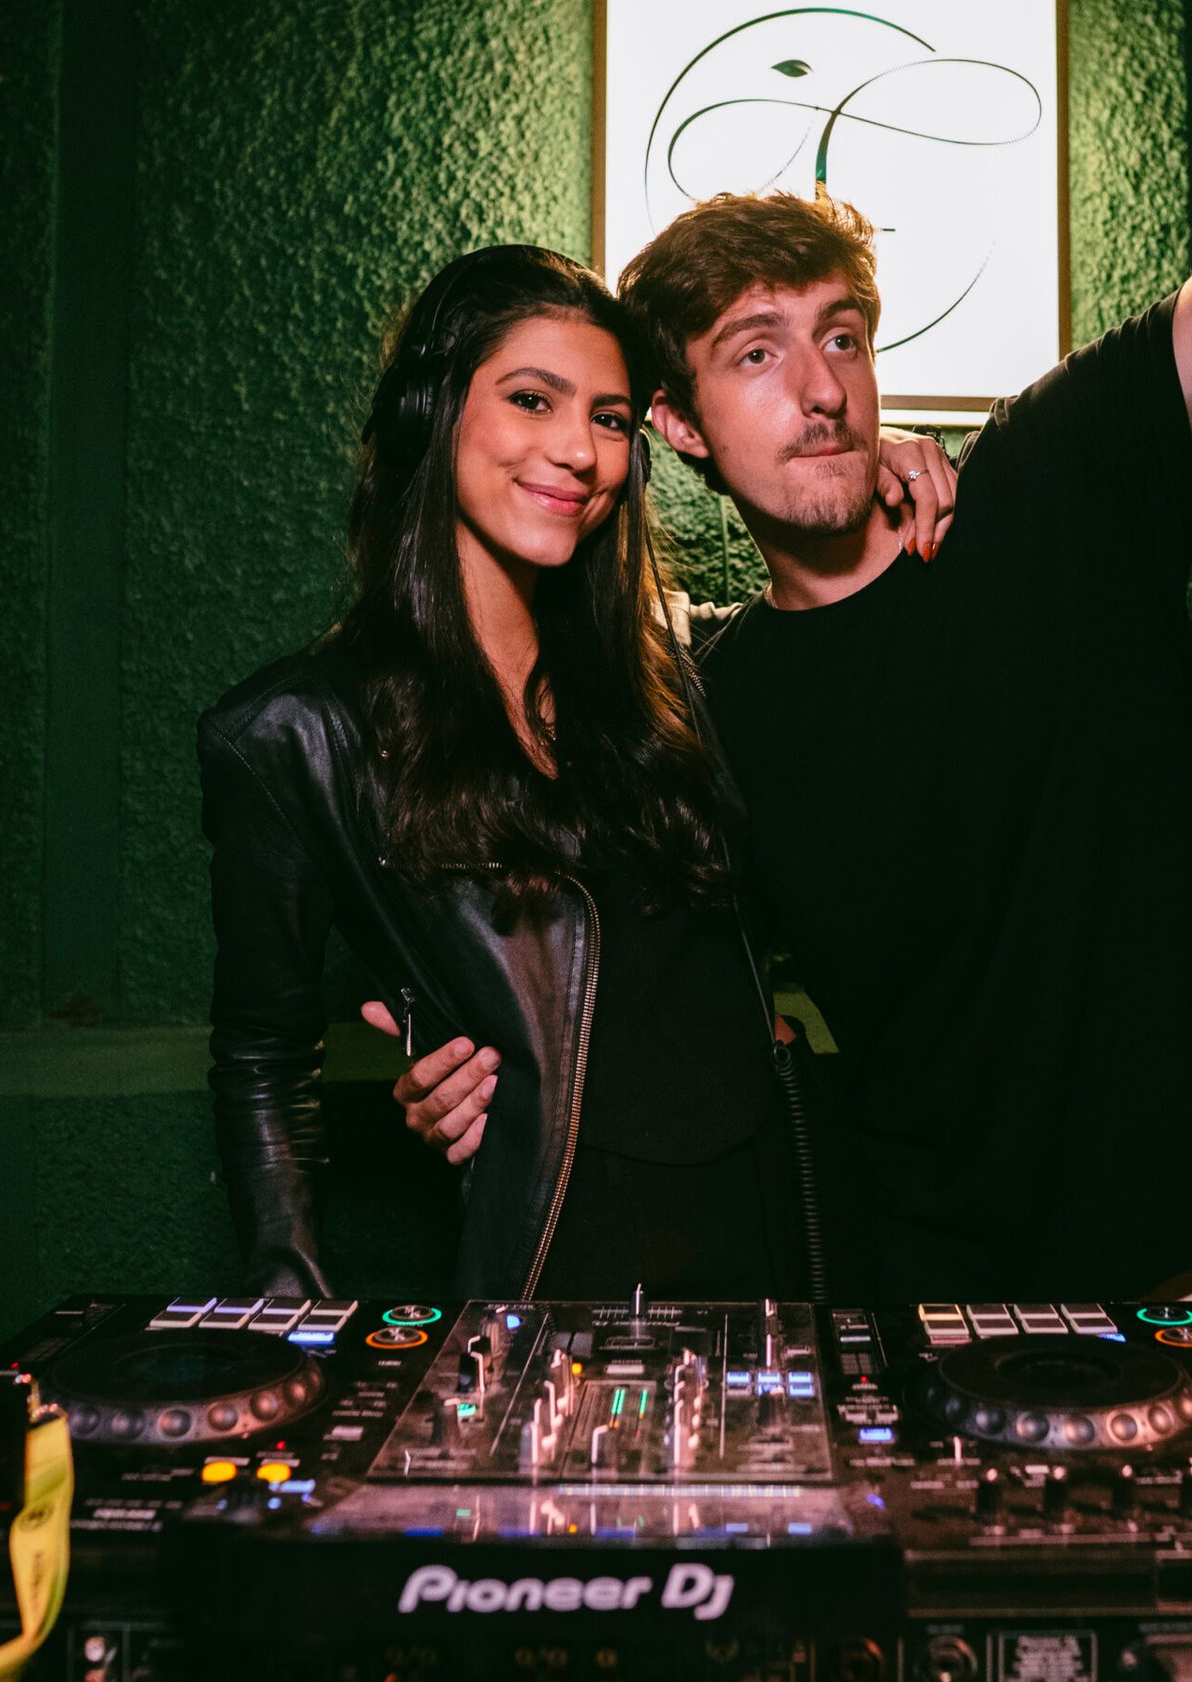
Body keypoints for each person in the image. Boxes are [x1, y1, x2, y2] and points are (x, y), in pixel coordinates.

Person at [398, 0, 1192, 1367]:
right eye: (754, 352)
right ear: (679, 431)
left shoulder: (1051, 491)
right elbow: (522, 884)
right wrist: (448, 1047)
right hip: (956, 1308)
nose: (819, 385)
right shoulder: (704, 707)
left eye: (841, 334)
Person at [200, 244, 950, 1300]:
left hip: (795, 1222)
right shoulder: (293, 734)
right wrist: (294, 1323)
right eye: (531, 399)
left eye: (608, 418)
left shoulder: (680, 672)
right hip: (569, 1258)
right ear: (430, 411)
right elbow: (263, 1062)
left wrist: (874, 472)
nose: (578, 451)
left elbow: (839, 641)